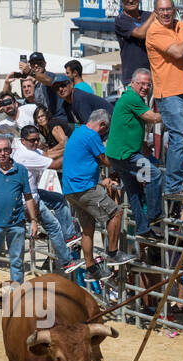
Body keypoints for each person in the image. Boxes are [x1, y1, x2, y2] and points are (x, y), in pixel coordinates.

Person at [62, 109, 134, 280]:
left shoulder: (79, 131)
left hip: (72, 189)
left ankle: (91, 268)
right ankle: (113, 253)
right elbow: (106, 159)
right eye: (105, 130)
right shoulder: (92, 135)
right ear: (102, 125)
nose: (104, 134)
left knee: (87, 230)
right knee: (115, 213)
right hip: (84, 187)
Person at [147, 0, 183, 198]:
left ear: (174, 10)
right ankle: (173, 185)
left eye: (168, 9)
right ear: (155, 12)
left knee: (181, 137)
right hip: (169, 92)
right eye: (162, 10)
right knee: (179, 137)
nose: (166, 13)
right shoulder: (154, 31)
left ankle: (175, 182)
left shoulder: (181, 26)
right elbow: (178, 51)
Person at [0, 133, 40, 311]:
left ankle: (16, 300)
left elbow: (28, 197)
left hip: (16, 224)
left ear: (11, 151)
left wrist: (33, 220)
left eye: (5, 150)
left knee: (17, 263)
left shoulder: (20, 170)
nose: (3, 153)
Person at [12, 124, 82, 273]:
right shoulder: (26, 155)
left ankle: (69, 235)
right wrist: (76, 151)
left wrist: (67, 147)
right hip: (28, 200)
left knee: (59, 200)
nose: (36, 143)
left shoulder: (21, 146)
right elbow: (55, 163)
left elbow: (46, 154)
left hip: (30, 192)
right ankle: (67, 261)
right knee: (54, 227)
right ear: (23, 140)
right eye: (33, 140)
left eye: (38, 139)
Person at [106, 68, 165, 237]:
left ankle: (142, 228)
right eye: (142, 84)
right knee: (154, 175)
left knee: (134, 191)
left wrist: (142, 144)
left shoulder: (129, 97)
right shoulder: (132, 97)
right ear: (132, 83)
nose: (145, 87)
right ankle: (154, 215)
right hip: (126, 155)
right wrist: (171, 113)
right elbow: (153, 118)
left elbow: (132, 125)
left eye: (148, 84)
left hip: (118, 155)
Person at [115, 0, 154, 85]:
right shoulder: (120, 20)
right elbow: (140, 33)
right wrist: (155, 14)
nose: (131, 1)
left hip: (153, 76)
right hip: (133, 78)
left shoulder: (148, 16)